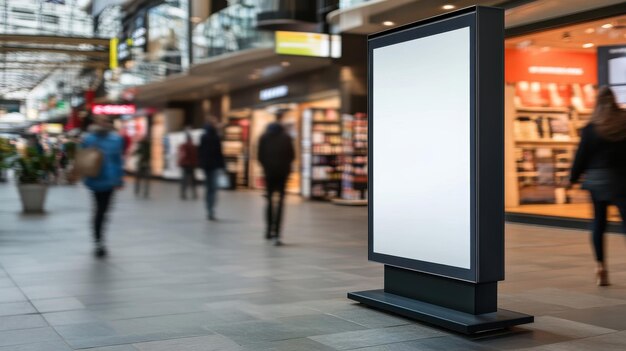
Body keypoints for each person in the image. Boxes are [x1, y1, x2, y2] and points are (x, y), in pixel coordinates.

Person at [570, 86, 626, 286]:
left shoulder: (591, 128)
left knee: (599, 223)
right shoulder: (623, 123)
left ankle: (601, 267)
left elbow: (581, 157)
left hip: (596, 182)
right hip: (621, 181)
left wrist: (572, 178)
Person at [82, 116, 124, 258]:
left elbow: (118, 161)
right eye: (101, 121)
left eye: (106, 121)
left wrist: (119, 179)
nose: (103, 124)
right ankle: (99, 241)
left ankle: (99, 239)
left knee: (103, 211)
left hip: (110, 181)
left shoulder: (116, 139)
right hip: (95, 179)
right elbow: (83, 157)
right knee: (100, 211)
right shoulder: (89, 139)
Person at [258, 114, 295, 246]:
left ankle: (268, 230)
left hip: (269, 174)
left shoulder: (263, 137)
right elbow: (292, 156)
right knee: (280, 203)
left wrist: (266, 167)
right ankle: (277, 233)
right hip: (282, 174)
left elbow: (259, 156)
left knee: (269, 200)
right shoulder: (286, 138)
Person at [199, 121, 225, 220]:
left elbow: (200, 152)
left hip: (206, 166)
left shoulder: (203, 137)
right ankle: (211, 210)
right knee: (213, 189)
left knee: (209, 188)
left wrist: (201, 164)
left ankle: (209, 209)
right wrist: (222, 166)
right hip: (214, 166)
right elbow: (219, 153)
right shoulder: (216, 138)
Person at [178, 132, 198, 200]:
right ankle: (193, 193)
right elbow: (193, 156)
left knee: (185, 179)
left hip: (186, 165)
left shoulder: (184, 146)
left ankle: (184, 193)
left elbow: (182, 155)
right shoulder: (191, 146)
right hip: (189, 165)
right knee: (191, 180)